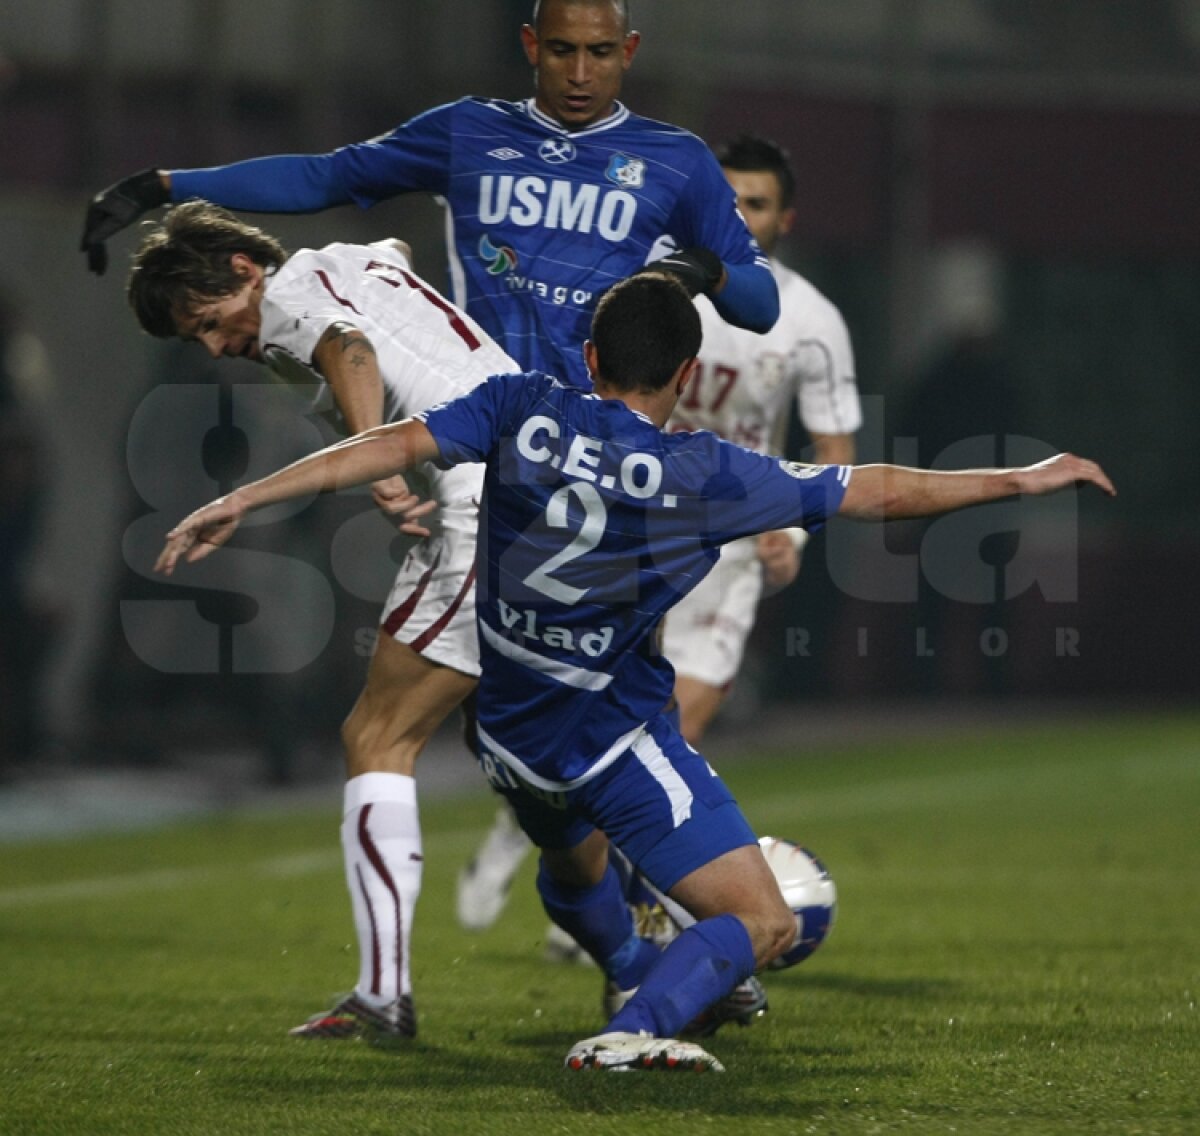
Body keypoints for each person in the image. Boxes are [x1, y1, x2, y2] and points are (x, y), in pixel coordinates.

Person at [153, 272, 1115, 1072]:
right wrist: (1019, 479)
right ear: (687, 373)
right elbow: (870, 492)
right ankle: (636, 1029)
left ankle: (624, 964)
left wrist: (240, 497)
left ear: (593, 359)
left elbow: (385, 446)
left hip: (502, 733)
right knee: (766, 925)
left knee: (572, 870)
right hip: (611, 738)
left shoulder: (518, 404)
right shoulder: (708, 474)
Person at [126, 201, 519, 1044]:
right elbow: (394, 252)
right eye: (194, 337)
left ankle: (384, 993)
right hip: (544, 477)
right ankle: (698, 935)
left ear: (242, 268)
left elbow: (350, 346)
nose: (215, 344)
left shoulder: (294, 304)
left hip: (487, 503)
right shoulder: (351, 257)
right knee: (546, 750)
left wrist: (377, 457)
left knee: (378, 736)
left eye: (209, 319)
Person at [455, 133, 863, 939]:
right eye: (731, 199)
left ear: (786, 218)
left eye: (759, 204)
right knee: (617, 724)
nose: (740, 215)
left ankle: (631, 909)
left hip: (727, 531)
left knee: (683, 722)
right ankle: (584, 867)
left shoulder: (811, 320)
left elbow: (836, 447)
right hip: (621, 517)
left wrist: (797, 540)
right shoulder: (643, 284)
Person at [80, 0, 780, 395]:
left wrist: (705, 272)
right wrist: (162, 186)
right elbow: (326, 177)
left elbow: (761, 304)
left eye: (599, 53)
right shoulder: (468, 132)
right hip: (486, 423)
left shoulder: (676, 160)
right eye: (562, 49)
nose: (578, 72)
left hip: (605, 425)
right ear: (531, 44)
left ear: (628, 51)